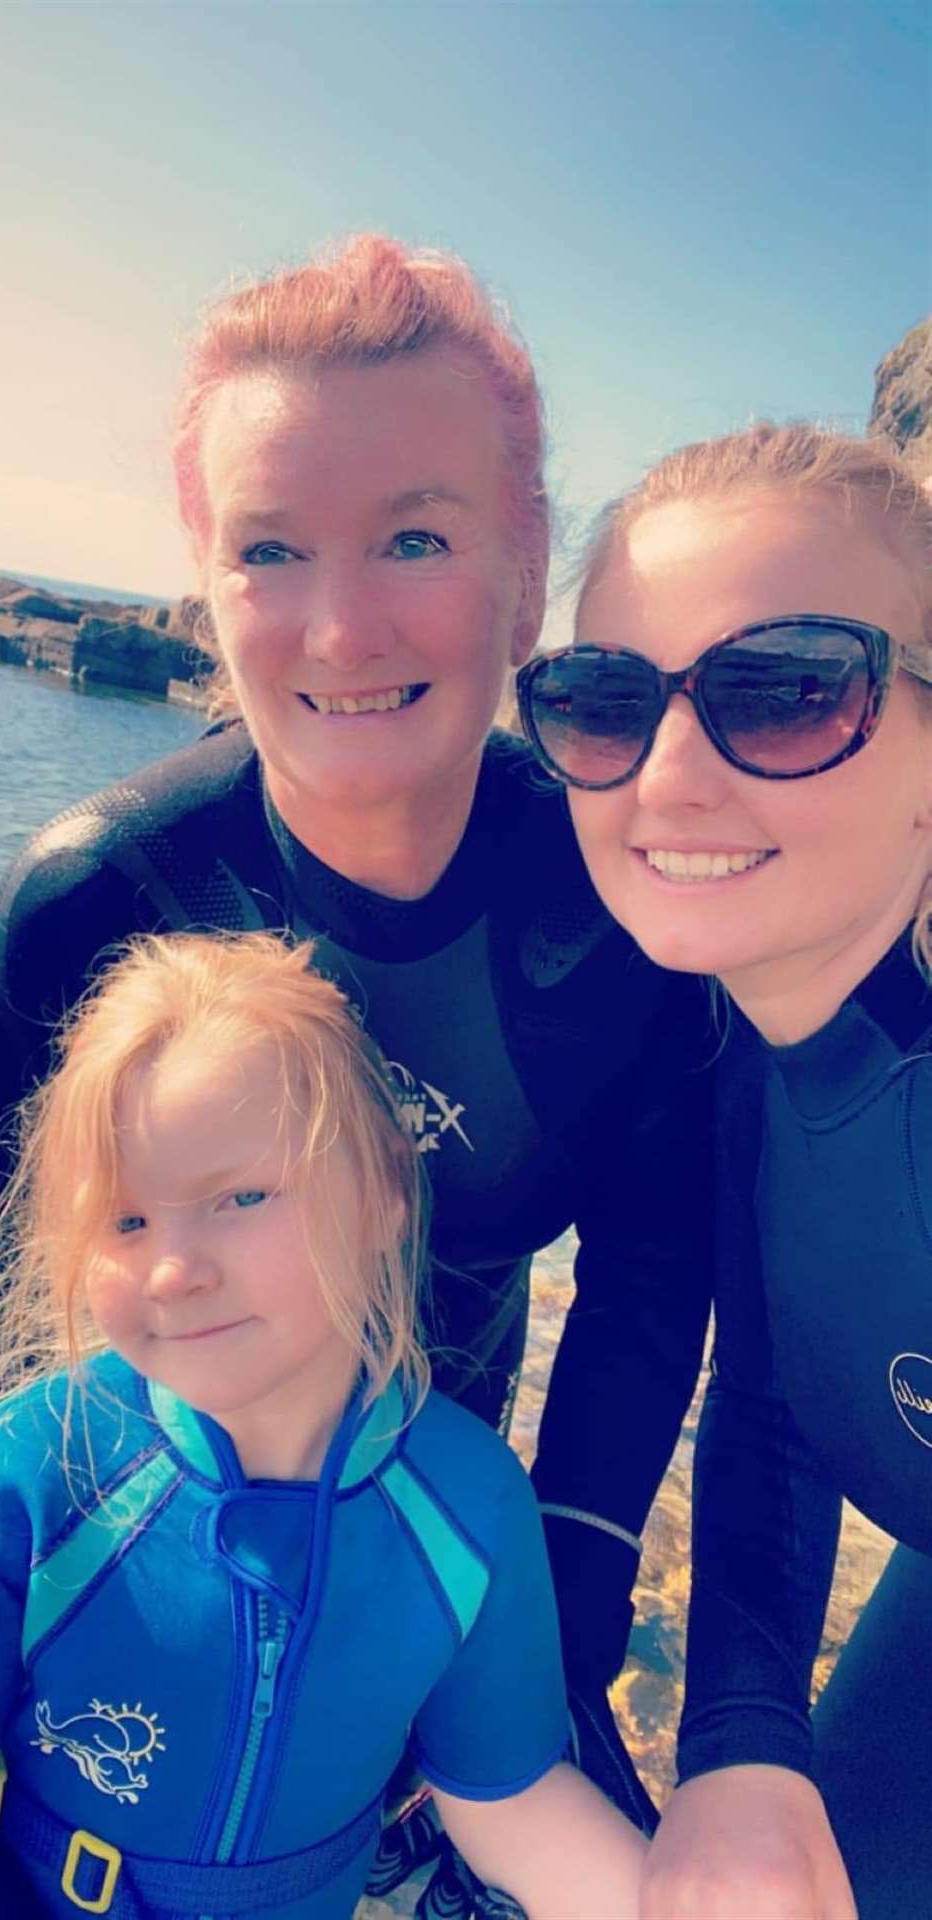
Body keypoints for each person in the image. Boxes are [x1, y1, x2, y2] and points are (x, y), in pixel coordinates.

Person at [0, 234, 717, 1907]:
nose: (340, 625)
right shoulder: (88, 898)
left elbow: (646, 1297)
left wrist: (550, 1633)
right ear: (202, 579)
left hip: (435, 1584)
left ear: (527, 561)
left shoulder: (617, 921)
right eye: (269, 549)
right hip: (125, 1595)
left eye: (414, 534)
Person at [0, 932, 651, 1919]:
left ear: (383, 1195)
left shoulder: (470, 1503)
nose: (175, 1269)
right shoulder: (20, 1483)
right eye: (127, 1220)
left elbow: (511, 1802)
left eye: (241, 1197)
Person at [516, 421, 932, 1920]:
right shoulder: (740, 1043)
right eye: (606, 703)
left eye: (790, 689)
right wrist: (743, 1744)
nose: (668, 779)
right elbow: (771, 1402)